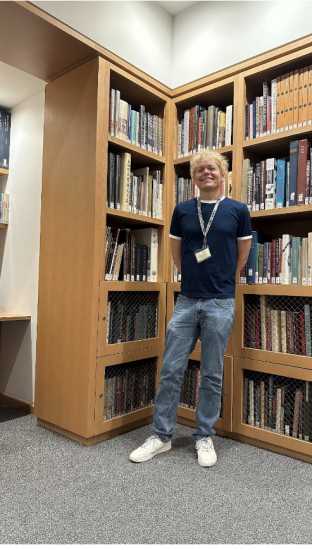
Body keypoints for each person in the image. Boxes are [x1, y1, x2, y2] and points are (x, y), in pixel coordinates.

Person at [129, 150, 252, 467]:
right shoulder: (182, 210)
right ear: (194, 177)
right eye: (199, 169)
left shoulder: (238, 210)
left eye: (212, 168)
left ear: (222, 175)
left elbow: (241, 256)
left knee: (211, 373)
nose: (206, 172)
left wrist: (222, 280)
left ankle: (204, 436)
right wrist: (194, 277)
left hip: (220, 301)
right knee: (171, 369)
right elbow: (176, 253)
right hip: (186, 301)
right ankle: (161, 436)